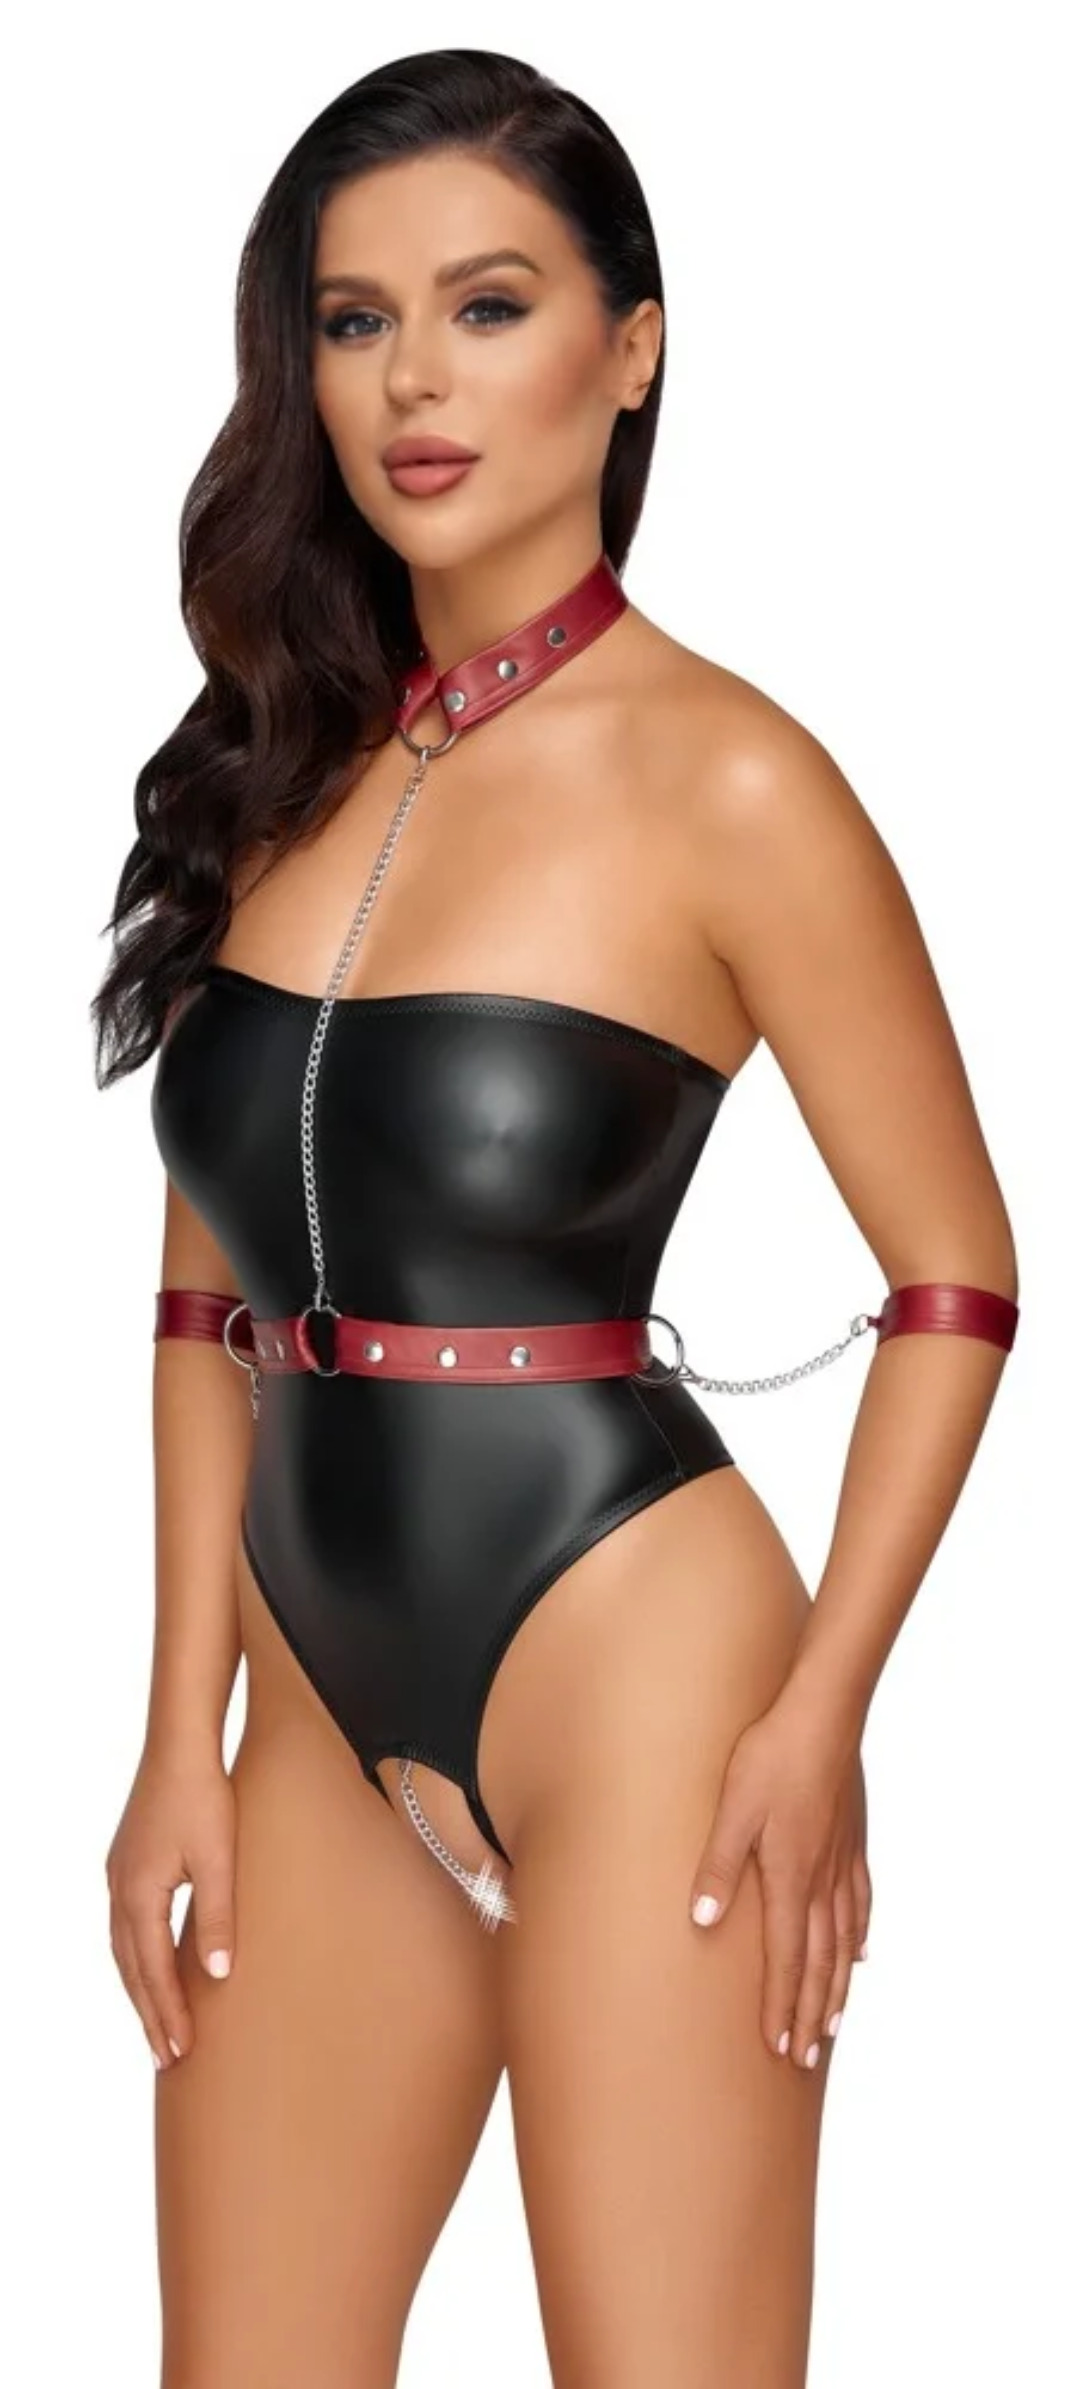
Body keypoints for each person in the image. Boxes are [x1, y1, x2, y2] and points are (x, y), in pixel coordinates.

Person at [93, 45, 1020, 2389]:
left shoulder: (736, 779)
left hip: (646, 1670)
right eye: (355, 318)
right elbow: (207, 1312)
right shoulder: (280, 764)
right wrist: (178, 1730)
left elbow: (955, 1281)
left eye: (488, 306)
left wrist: (820, 1717)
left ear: (632, 349)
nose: (413, 379)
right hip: (311, 1690)